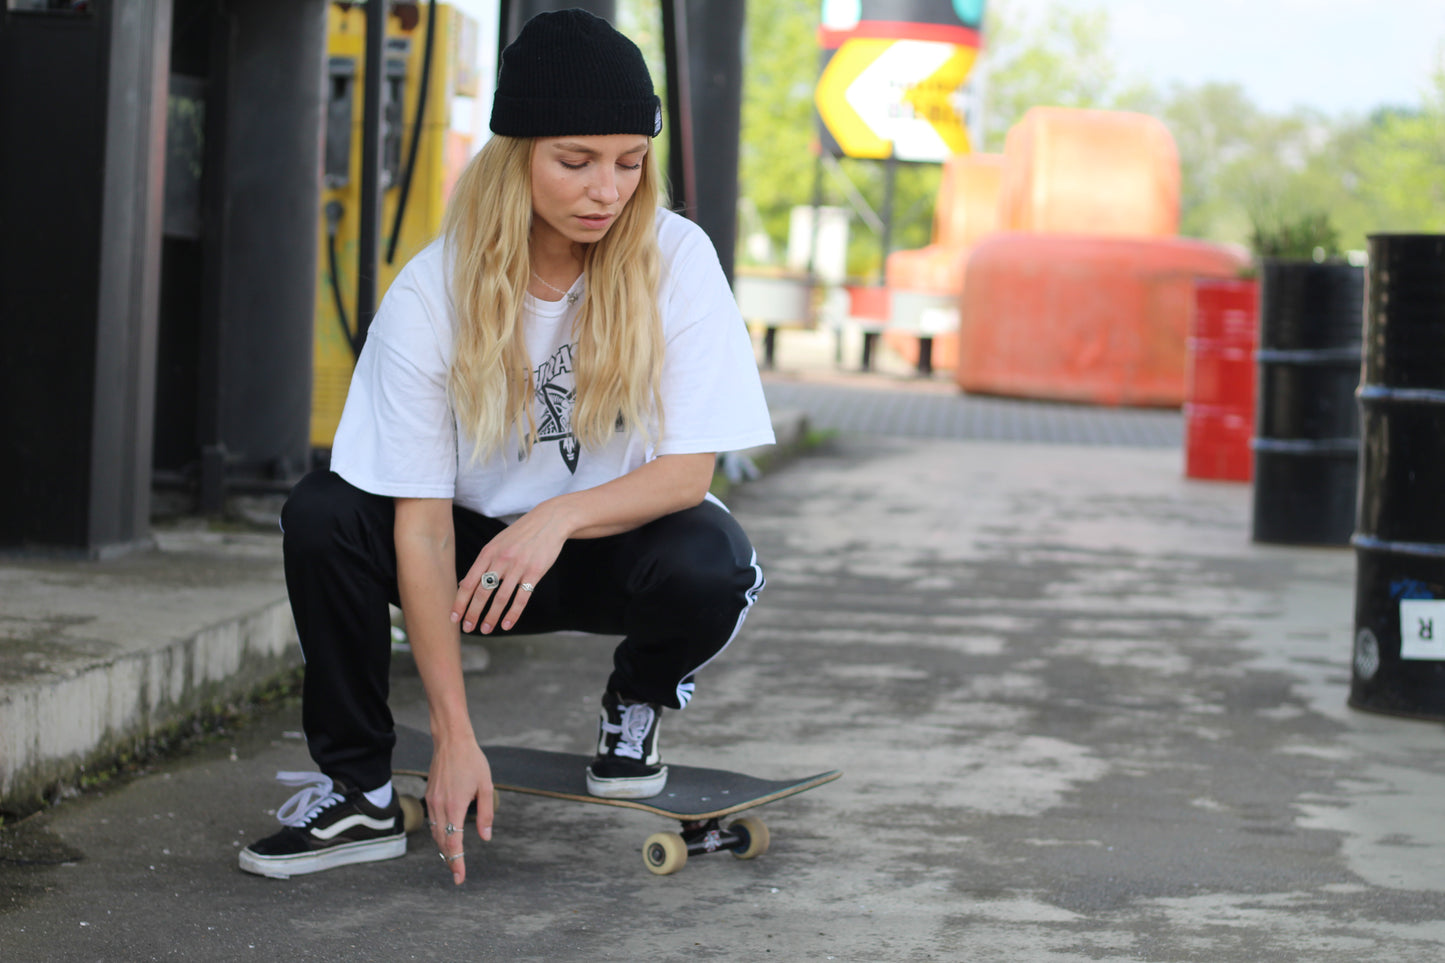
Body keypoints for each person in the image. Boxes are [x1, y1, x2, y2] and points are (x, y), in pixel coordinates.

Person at [238, 9, 773, 884]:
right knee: (325, 512)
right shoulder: (432, 292)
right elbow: (417, 524)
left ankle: (633, 704)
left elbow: (686, 474)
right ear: (516, 153)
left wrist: (557, 517)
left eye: (630, 163)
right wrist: (454, 734)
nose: (608, 189)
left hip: (600, 549)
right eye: (576, 161)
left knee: (714, 557)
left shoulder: (677, 258)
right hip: (463, 564)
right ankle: (361, 789)